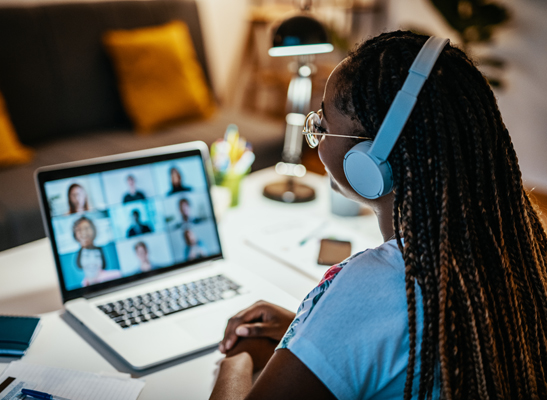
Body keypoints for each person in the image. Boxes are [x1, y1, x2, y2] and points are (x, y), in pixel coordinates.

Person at [211, 31, 547, 400]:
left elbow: (378, 313)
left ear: (373, 160)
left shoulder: (376, 283)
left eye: (322, 126)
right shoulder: (518, 251)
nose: (317, 137)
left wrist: (240, 357)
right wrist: (313, 338)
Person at [73, 216, 121, 286]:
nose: (84, 232)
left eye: (86, 228)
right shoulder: (83, 284)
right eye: (79, 229)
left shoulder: (116, 275)